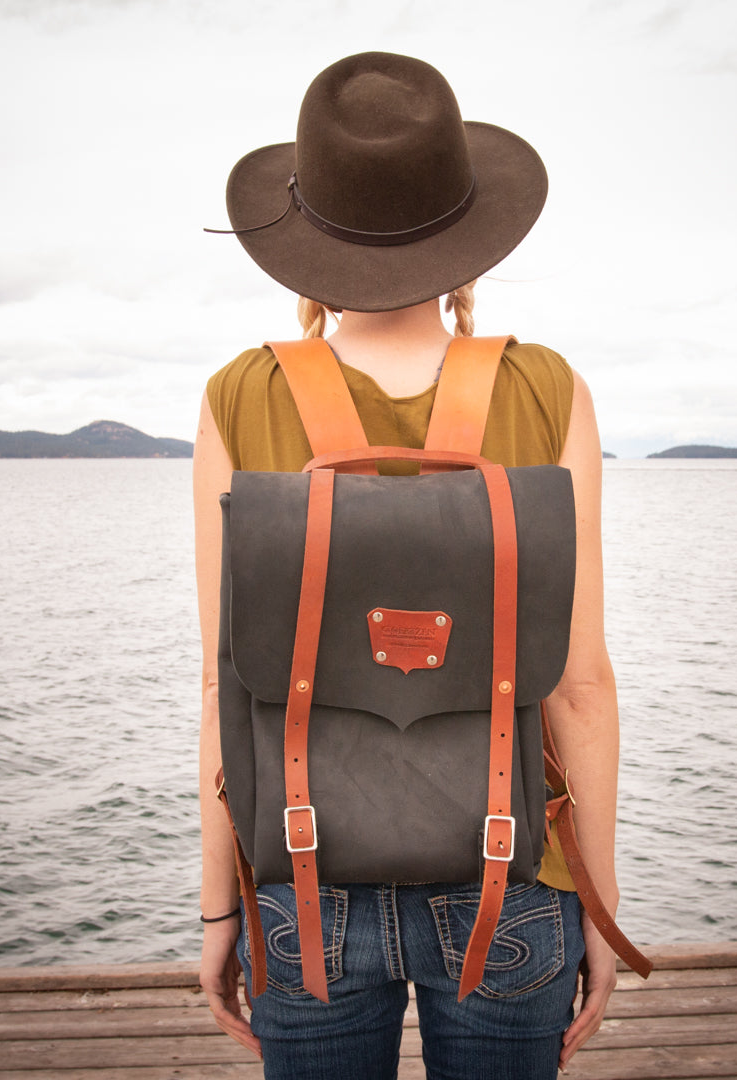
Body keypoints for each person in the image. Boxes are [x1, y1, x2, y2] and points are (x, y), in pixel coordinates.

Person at [194, 52, 620, 1080]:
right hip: (513, 873)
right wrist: (601, 911)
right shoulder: (549, 388)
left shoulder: (239, 396)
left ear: (306, 235)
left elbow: (224, 684)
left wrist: (218, 906)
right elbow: (580, 685)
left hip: (302, 878)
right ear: (467, 230)